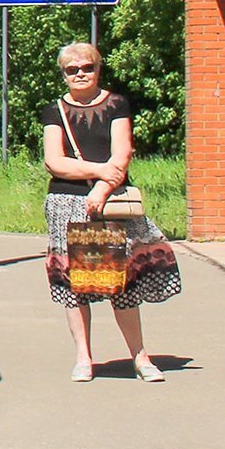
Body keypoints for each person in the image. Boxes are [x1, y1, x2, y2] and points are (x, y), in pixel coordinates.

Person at [40, 42, 181, 382]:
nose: (80, 74)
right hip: (66, 203)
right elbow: (54, 162)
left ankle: (140, 358)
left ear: (98, 68)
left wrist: (102, 188)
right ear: (63, 74)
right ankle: (83, 358)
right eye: (72, 70)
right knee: (74, 285)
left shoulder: (116, 104)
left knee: (120, 282)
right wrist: (100, 170)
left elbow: (122, 153)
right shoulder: (54, 110)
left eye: (87, 67)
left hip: (110, 203)